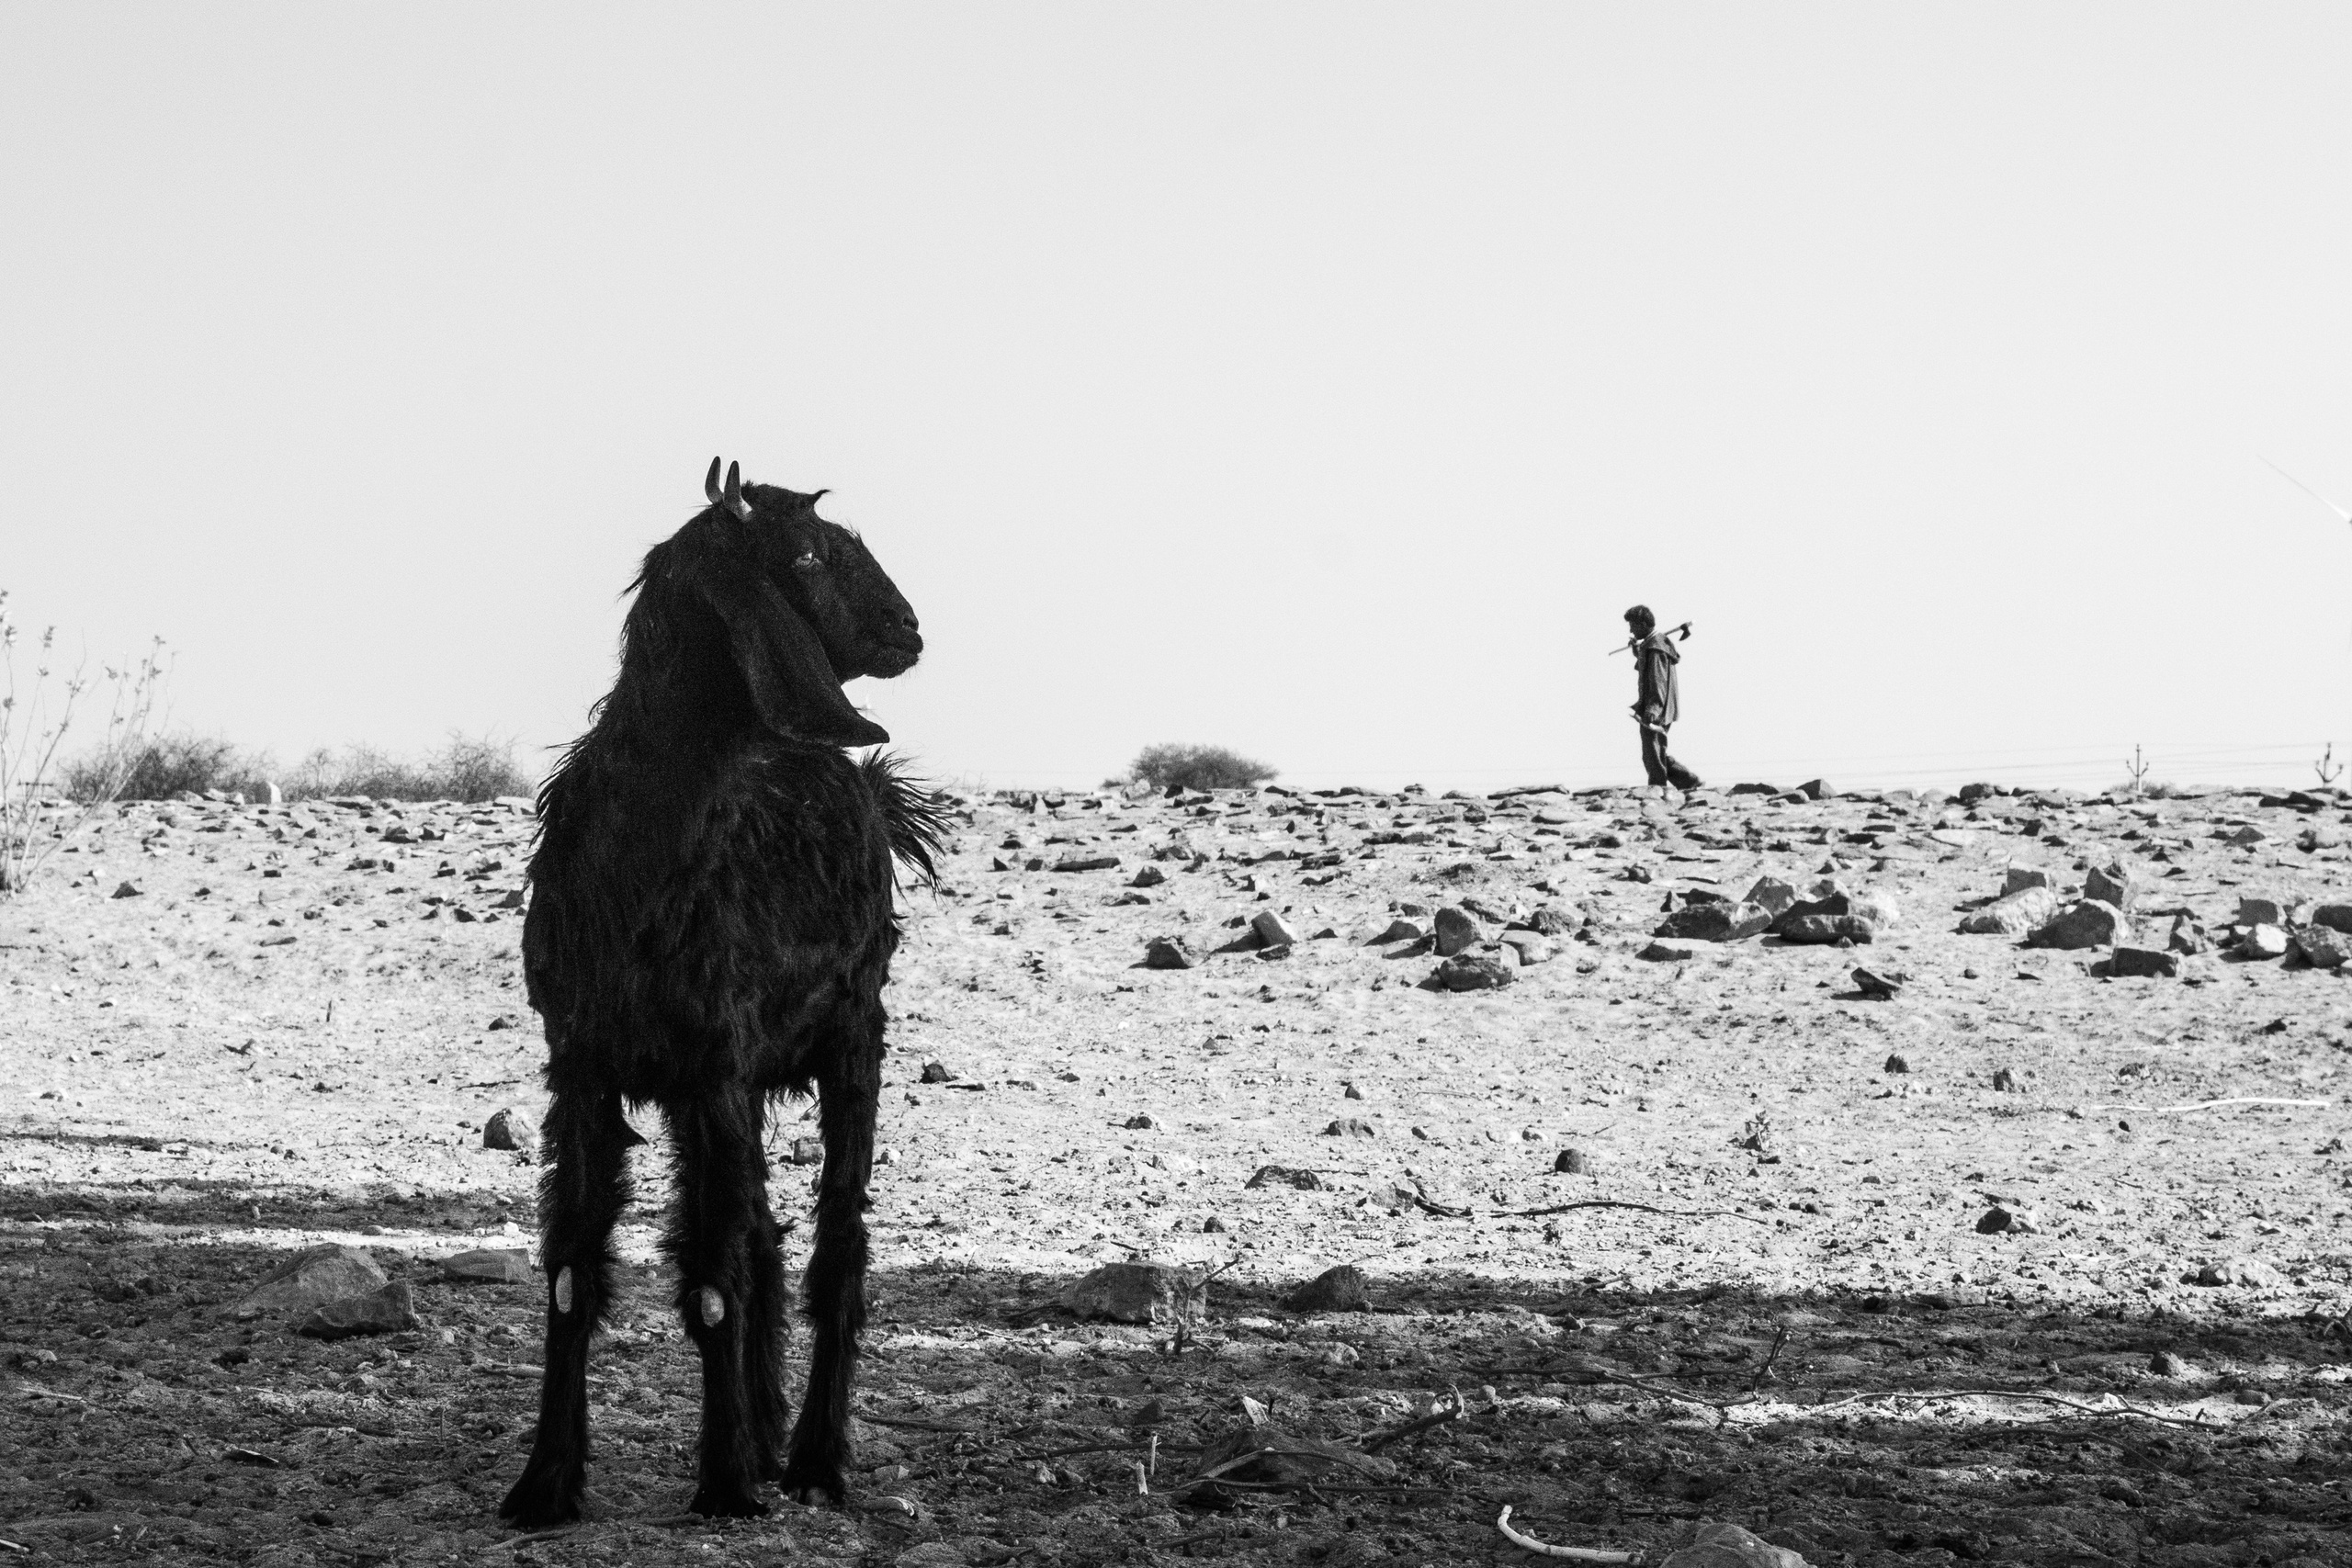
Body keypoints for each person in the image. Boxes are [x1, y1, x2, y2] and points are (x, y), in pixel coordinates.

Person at [1625, 604, 1702, 791]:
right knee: (1655, 750)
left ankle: (1658, 790)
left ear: (1643, 624)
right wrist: (1638, 651)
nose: (1630, 630)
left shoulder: (1656, 648)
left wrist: (1653, 709)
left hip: (1658, 706)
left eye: (1633, 626)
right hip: (1657, 705)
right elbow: (1647, 668)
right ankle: (1689, 781)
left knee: (1652, 752)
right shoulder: (1653, 645)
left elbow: (1658, 680)